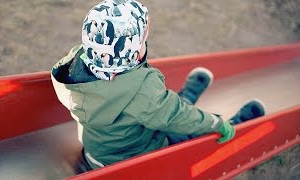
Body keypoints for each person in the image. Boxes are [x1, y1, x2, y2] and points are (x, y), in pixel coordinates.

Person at [51, 0, 265, 171]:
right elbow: (179, 119)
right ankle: (233, 124)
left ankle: (182, 99)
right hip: (137, 157)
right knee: (182, 129)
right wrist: (216, 124)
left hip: (96, 154)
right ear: (133, 52)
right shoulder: (141, 91)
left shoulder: (74, 71)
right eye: (143, 40)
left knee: (161, 108)